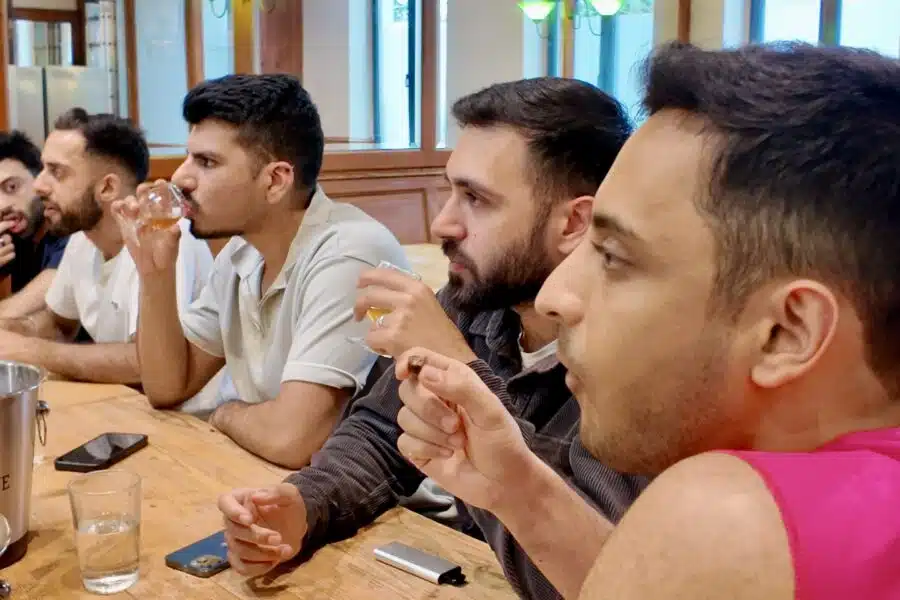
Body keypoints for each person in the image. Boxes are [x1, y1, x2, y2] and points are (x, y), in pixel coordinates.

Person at [384, 42, 900, 600]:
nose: (556, 296)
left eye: (613, 257)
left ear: (786, 333)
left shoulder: (726, 519)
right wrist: (517, 485)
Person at [216, 77, 648, 600]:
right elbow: (379, 431)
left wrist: (463, 373)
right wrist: (304, 506)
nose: (443, 223)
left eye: (476, 199)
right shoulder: (475, 301)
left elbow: (598, 571)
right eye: (451, 191)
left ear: (575, 222)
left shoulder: (636, 358)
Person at [115, 73, 408, 469]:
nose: (181, 177)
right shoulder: (242, 253)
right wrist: (155, 274)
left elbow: (292, 440)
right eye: (189, 157)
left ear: (275, 181)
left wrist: (225, 412)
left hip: (379, 499)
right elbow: (167, 386)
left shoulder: (349, 252)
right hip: (277, 482)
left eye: (206, 162)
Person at [0, 108, 219, 397]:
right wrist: (12, 330)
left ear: (107, 187)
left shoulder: (165, 236)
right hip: (130, 405)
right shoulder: (81, 239)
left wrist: (29, 350)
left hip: (191, 416)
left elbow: (145, 363)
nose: (39, 185)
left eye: (56, 172)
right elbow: (58, 323)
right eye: (43, 169)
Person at [0, 130, 68, 319]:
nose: (2, 206)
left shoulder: (72, 230)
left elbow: (17, 312)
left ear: (41, 182)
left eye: (11, 187)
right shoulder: (16, 241)